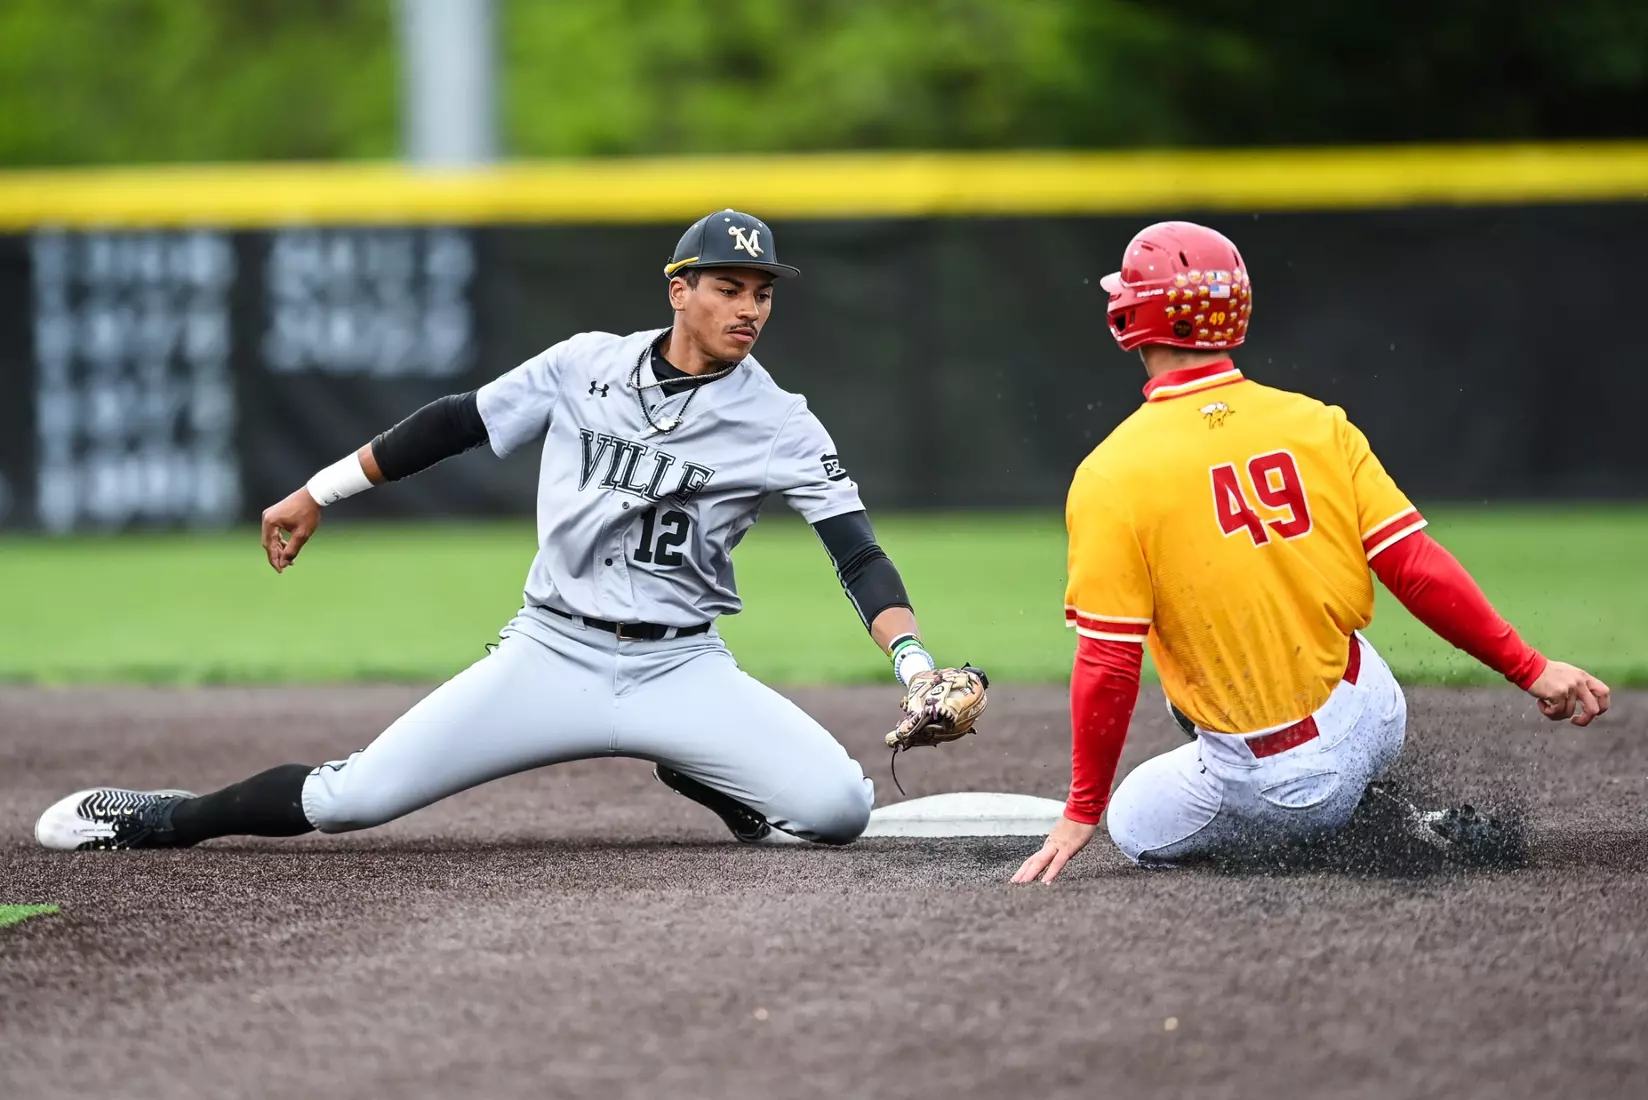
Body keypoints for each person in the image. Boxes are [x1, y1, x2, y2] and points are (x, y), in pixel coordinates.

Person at [37, 209, 984, 852]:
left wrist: (914, 665)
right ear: (678, 289)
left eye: (762, 292)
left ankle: (707, 771)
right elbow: (456, 421)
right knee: (350, 800)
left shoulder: (780, 420)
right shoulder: (584, 366)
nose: (749, 308)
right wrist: (320, 491)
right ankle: (166, 816)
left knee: (838, 812)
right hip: (550, 652)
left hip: (681, 667)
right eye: (729, 287)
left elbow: (855, 549)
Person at [1012, 221, 1609, 883]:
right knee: (1247, 664)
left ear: (1132, 314)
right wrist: (1531, 667)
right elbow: (1415, 567)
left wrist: (1082, 810)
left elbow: (1109, 660)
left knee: (1133, 823)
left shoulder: (1111, 473)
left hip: (1288, 782)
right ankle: (1379, 808)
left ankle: (1336, 828)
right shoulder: (1318, 423)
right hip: (1375, 710)